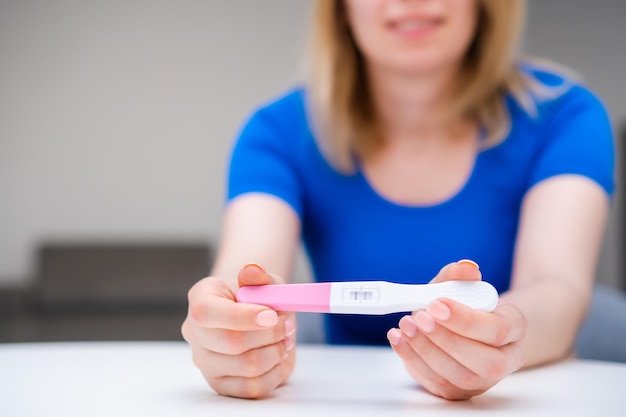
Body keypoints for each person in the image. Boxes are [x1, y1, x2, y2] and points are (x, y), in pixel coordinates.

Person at [181, 0, 615, 400]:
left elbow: (556, 285)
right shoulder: (275, 132)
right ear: (341, 9)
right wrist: (230, 329)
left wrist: (505, 334)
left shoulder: (565, 116)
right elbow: (247, 278)